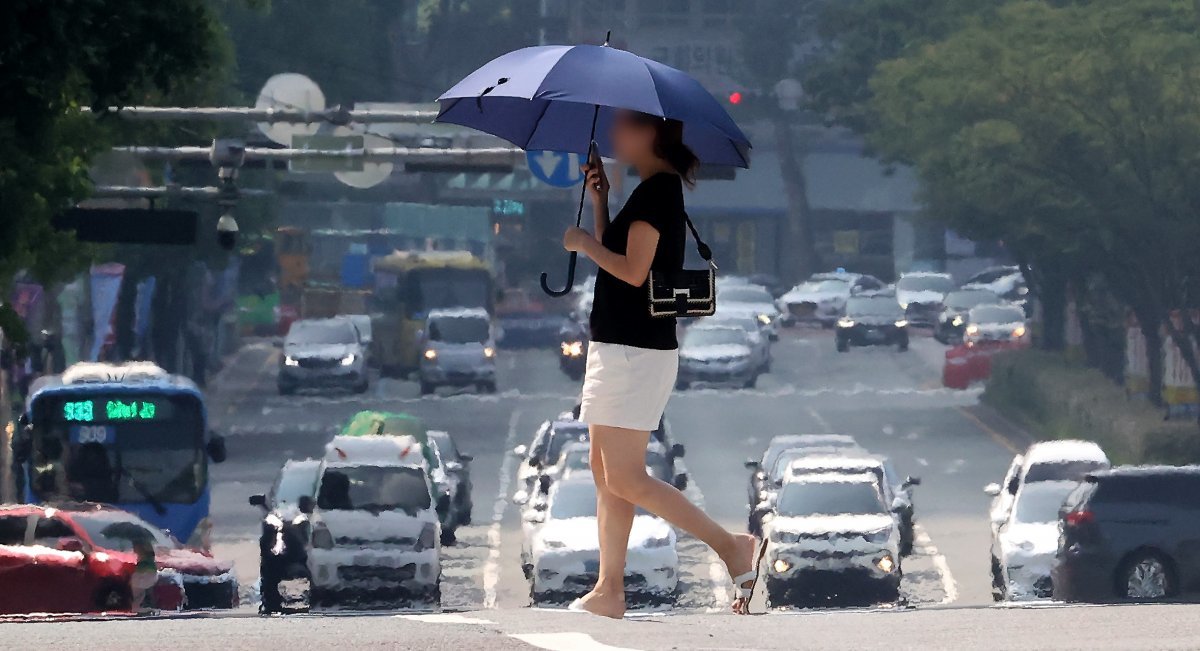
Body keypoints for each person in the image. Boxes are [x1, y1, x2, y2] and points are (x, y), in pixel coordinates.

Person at [561, 110, 759, 618]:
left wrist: (584, 243)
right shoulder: (647, 190)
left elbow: (630, 271)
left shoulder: (658, 191)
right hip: (617, 346)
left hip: (635, 351)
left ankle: (730, 546)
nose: (614, 135)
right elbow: (624, 257)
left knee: (624, 477)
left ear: (652, 133)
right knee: (605, 474)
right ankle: (609, 591)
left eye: (625, 126)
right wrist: (602, 204)